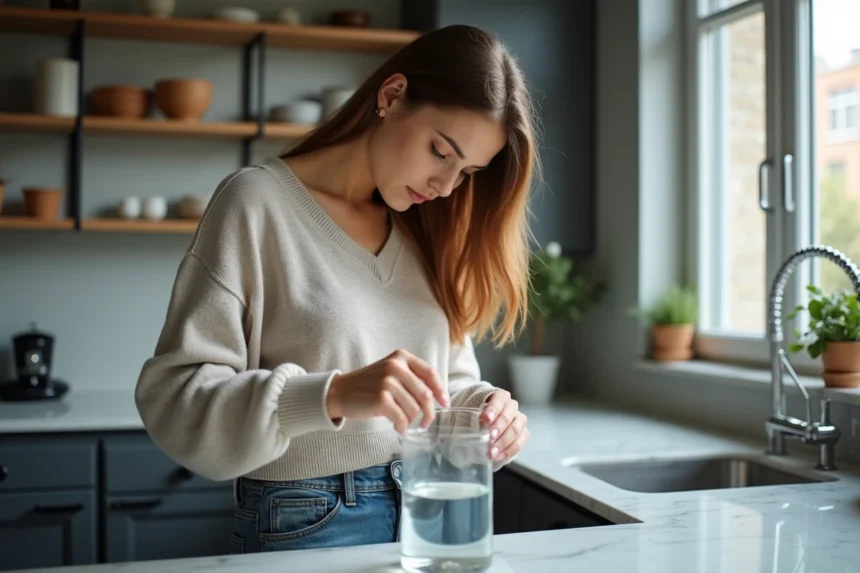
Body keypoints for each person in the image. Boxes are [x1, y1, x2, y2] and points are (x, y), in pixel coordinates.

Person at [134, 23, 538, 554]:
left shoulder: (428, 227)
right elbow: (176, 402)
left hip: (431, 511)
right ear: (392, 97)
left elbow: (445, 386)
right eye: (441, 151)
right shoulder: (256, 204)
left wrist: (484, 412)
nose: (445, 186)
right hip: (307, 521)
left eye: (467, 172)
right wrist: (332, 394)